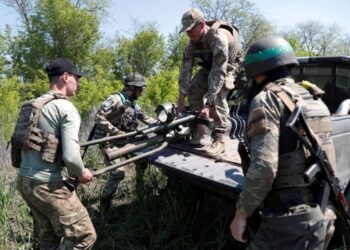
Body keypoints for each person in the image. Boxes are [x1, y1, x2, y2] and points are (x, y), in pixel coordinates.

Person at [230, 37, 337, 249]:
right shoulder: (313, 98)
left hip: (288, 223)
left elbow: (264, 167)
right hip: (322, 214)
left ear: (258, 71)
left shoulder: (267, 99)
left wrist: (241, 214)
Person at [17, 58, 96, 249]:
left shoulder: (36, 104)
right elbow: (70, 157)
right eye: (76, 78)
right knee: (84, 237)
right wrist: (82, 172)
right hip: (47, 185)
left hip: (25, 182)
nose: (78, 83)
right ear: (65, 77)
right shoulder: (65, 107)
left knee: (47, 236)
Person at [178, 8, 244, 157]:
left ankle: (219, 139)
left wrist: (209, 104)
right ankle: (199, 130)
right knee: (194, 89)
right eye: (186, 30)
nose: (188, 34)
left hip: (228, 68)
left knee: (218, 96)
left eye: (190, 29)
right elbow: (185, 70)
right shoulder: (191, 43)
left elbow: (219, 71)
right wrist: (181, 98)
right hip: (210, 67)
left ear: (201, 25)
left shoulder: (218, 38)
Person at [94, 72, 155, 213]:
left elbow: (146, 118)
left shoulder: (133, 105)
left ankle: (140, 195)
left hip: (124, 141)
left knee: (143, 160)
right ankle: (104, 208)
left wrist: (162, 123)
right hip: (108, 142)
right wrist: (115, 131)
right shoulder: (115, 99)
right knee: (118, 173)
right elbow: (99, 117)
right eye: (140, 89)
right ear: (132, 88)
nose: (142, 92)